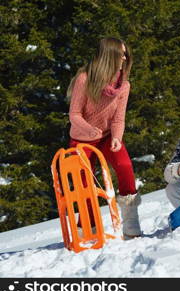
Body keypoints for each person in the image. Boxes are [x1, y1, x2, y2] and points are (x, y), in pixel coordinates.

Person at [66, 37, 141, 239]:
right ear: (108, 55)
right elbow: (74, 115)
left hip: (108, 137)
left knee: (124, 165)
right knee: (86, 182)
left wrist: (117, 137)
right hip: (82, 138)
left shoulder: (123, 85)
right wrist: (89, 131)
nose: (124, 58)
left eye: (126, 54)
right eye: (120, 54)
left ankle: (131, 222)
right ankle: (87, 227)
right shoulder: (85, 79)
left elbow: (119, 118)